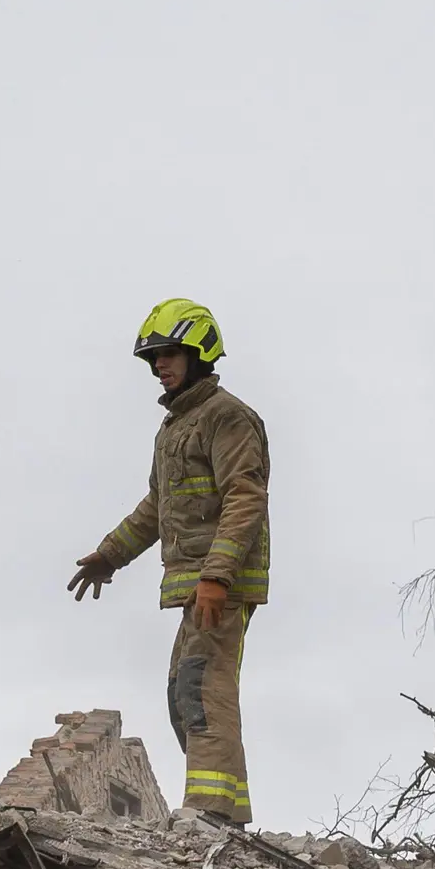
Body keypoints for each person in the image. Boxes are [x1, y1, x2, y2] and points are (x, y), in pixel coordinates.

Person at [67, 299, 270, 823]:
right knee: (184, 691)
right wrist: (110, 555)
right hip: (194, 584)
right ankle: (223, 809)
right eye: (152, 358)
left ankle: (212, 814)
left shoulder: (228, 417)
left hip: (217, 583)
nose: (159, 366)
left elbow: (245, 498)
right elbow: (158, 507)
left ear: (199, 350)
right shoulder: (174, 428)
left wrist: (218, 576)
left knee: (203, 688)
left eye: (167, 354)